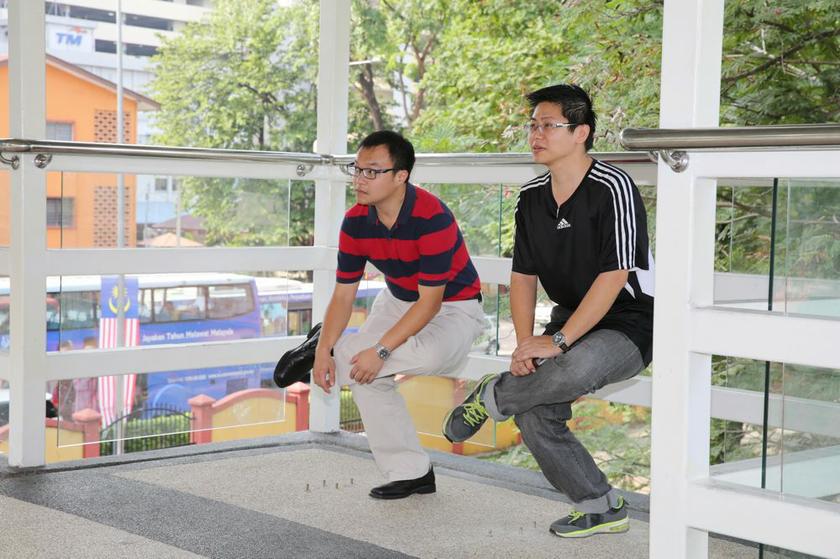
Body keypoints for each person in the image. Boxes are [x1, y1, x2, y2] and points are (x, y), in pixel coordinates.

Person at [443, 84, 654, 538]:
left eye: (549, 125)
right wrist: (525, 345)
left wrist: (557, 343)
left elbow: (615, 276)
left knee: (573, 368)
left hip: (630, 321)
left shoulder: (613, 186)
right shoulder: (532, 197)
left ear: (581, 132)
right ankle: (599, 505)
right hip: (568, 318)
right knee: (536, 409)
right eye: (533, 125)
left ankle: (492, 397)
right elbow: (523, 276)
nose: (536, 134)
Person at [304, 130, 486, 499]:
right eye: (356, 170)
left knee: (415, 356)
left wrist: (381, 351)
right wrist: (325, 350)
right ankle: (411, 472)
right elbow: (342, 296)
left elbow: (430, 303)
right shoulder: (355, 222)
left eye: (372, 172)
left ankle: (343, 351)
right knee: (364, 372)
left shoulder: (431, 216)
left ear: (401, 176)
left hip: (453, 307)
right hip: (398, 302)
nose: (359, 179)